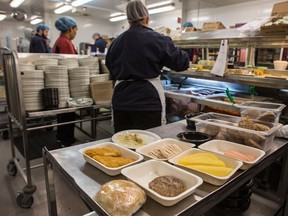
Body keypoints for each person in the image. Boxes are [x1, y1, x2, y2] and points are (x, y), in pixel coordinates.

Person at [105, 0, 189, 133]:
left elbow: (111, 70)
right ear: (147, 18)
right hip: (147, 101)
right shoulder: (158, 39)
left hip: (121, 100)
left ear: (129, 20)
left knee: (123, 144)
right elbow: (182, 63)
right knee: (148, 144)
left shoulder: (114, 43)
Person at [53, 16, 78, 147]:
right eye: (76, 30)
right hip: (65, 82)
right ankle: (68, 141)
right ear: (70, 29)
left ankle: (61, 137)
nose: (76, 32)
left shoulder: (60, 40)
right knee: (68, 112)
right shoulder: (65, 42)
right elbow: (71, 64)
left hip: (60, 81)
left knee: (62, 112)